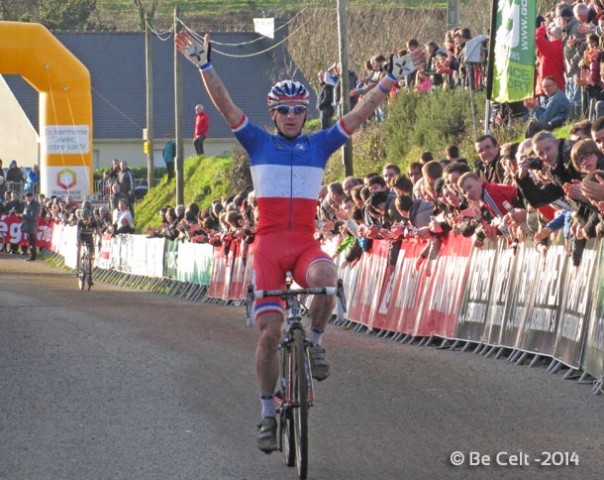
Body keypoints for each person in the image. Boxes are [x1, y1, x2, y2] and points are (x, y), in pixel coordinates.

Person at [175, 30, 421, 453]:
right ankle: (268, 415)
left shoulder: (320, 144)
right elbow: (225, 105)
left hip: (304, 242)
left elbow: (360, 114)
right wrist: (205, 66)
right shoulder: (257, 141)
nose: (291, 115)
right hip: (269, 245)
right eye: (284, 110)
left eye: (298, 110)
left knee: (327, 276)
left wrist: (389, 79)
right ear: (274, 114)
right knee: (269, 335)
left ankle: (319, 342)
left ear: (305, 113)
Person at [76, 206, 102, 274]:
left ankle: (90, 270)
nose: (86, 221)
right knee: (79, 247)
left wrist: (100, 240)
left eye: (87, 220)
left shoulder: (94, 222)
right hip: (82, 236)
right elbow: (78, 233)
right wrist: (77, 241)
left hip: (89, 236)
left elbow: (99, 232)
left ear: (90, 217)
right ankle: (78, 264)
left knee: (92, 254)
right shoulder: (80, 222)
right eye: (84, 220)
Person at [20, 191, 39, 261]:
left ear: (31, 197)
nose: (27, 198)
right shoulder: (28, 204)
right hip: (28, 226)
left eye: (28, 197)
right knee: (30, 241)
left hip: (32, 226)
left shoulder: (34, 204)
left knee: (32, 242)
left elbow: (33, 216)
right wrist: (21, 216)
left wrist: (23, 216)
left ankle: (33, 256)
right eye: (26, 197)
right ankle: (32, 255)